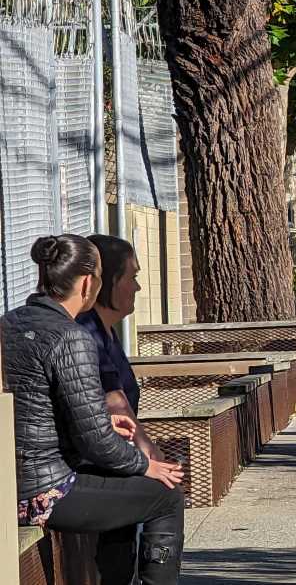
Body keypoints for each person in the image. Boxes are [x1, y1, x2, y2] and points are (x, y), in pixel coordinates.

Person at [5, 235, 185, 585]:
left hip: (14, 482)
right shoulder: (72, 337)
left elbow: (36, 412)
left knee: (122, 487)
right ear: (88, 283)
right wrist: (147, 465)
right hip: (45, 491)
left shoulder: (8, 324)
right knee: (165, 493)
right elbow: (96, 444)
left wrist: (103, 423)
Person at [76, 234, 166, 583]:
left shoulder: (105, 330)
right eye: (132, 276)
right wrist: (151, 457)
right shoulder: (86, 331)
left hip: (110, 457)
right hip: (90, 462)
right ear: (106, 282)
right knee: (161, 493)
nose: (139, 286)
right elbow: (116, 401)